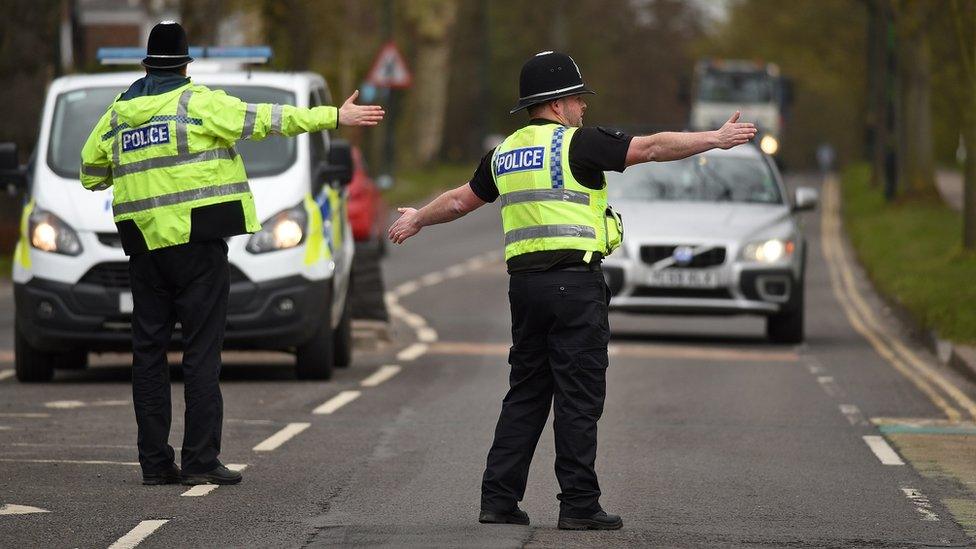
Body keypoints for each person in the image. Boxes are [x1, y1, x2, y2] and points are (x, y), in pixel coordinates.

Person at [388, 51, 755, 530]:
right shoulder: (579, 144)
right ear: (559, 104)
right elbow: (651, 148)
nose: (584, 108)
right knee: (578, 397)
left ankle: (498, 500)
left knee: (526, 393)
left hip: (525, 289)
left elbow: (459, 201)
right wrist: (715, 138)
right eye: (579, 99)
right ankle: (579, 504)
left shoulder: (503, 153)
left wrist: (418, 218)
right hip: (575, 285)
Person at [79, 21, 383, 486]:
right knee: (201, 353)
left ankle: (156, 465)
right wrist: (333, 118)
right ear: (184, 63)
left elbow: (89, 171)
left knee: (148, 355)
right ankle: (201, 459)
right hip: (198, 249)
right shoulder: (198, 103)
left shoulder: (118, 116)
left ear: (147, 63)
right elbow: (268, 119)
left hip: (144, 251)